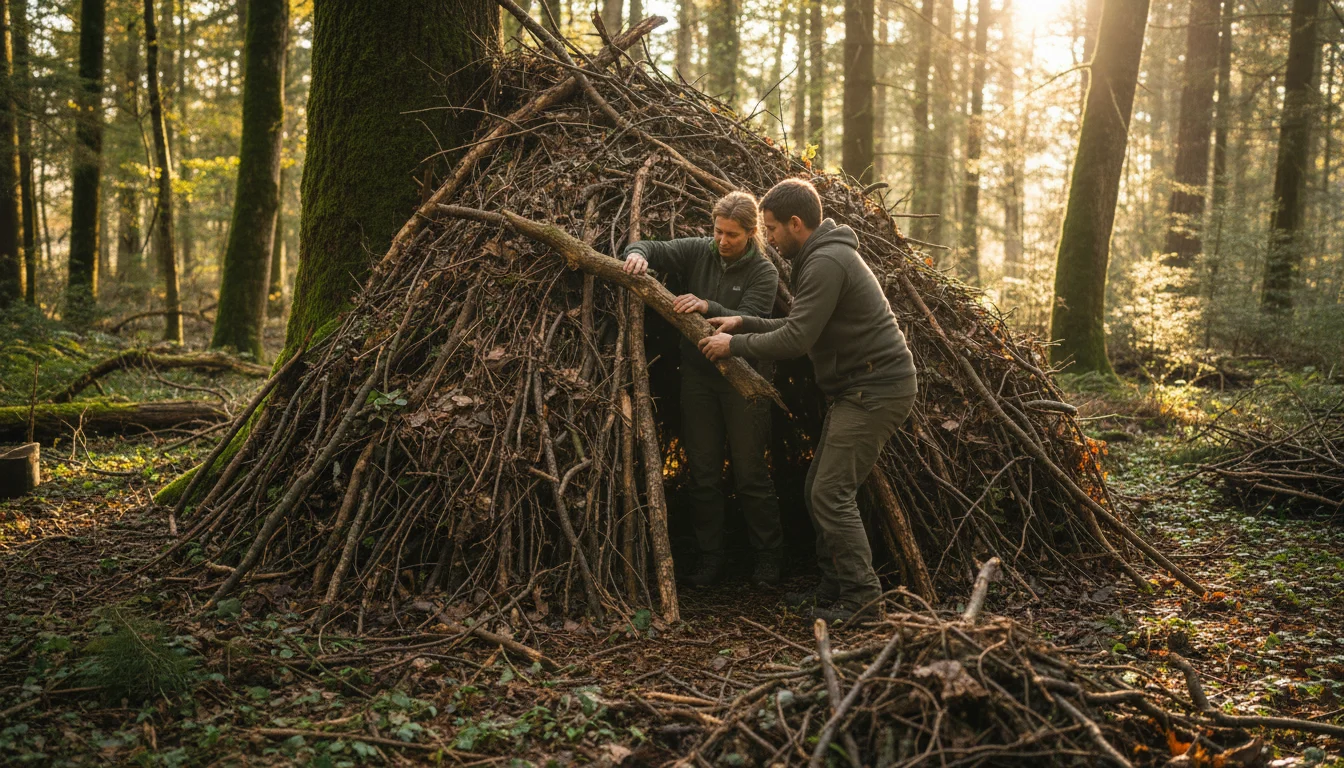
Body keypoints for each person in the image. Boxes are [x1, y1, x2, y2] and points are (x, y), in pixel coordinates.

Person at [698, 178, 917, 622]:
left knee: (831, 492)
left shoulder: (827, 262)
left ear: (796, 224)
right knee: (821, 488)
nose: (770, 239)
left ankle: (862, 599)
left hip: (875, 389)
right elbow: (799, 324)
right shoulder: (822, 257)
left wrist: (733, 347)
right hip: (860, 388)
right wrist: (742, 322)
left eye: (773, 228)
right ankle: (834, 586)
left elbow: (797, 339)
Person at [621, 191, 785, 588]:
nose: (723, 241)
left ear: (751, 233)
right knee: (704, 472)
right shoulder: (700, 250)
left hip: (742, 381)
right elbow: (651, 246)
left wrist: (707, 306)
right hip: (698, 378)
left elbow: (753, 319)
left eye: (732, 234)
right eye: (718, 232)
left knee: (750, 474)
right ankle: (711, 558)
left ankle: (769, 560)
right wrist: (639, 254)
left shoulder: (764, 272)